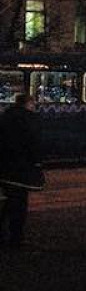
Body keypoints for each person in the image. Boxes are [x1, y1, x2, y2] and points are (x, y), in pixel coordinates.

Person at [0, 94, 44, 249]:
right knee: (19, 204)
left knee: (6, 202)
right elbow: (35, 143)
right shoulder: (30, 120)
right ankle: (16, 238)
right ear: (29, 104)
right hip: (21, 169)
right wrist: (37, 162)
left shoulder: (5, 116)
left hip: (4, 168)